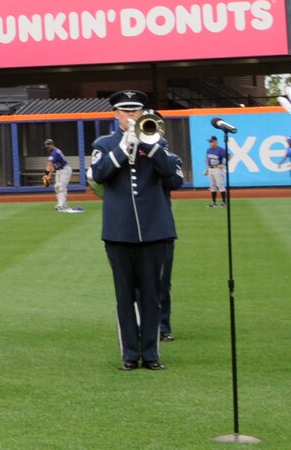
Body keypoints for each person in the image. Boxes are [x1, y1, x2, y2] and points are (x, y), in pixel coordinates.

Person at [89, 90, 184, 370]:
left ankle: (151, 354)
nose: (131, 116)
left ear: (143, 112)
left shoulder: (159, 141)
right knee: (125, 296)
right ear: (115, 114)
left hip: (154, 230)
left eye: (136, 111)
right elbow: (99, 174)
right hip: (119, 232)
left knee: (151, 295)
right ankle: (130, 354)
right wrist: (122, 150)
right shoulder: (104, 144)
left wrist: (150, 146)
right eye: (125, 111)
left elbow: (173, 177)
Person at [44, 138, 79, 213]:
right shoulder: (53, 152)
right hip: (59, 171)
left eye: (49, 146)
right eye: (47, 147)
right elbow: (53, 167)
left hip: (65, 170)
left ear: (52, 145)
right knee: (57, 187)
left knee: (61, 186)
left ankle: (61, 205)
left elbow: (49, 164)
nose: (48, 148)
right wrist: (49, 175)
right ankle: (62, 204)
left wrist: (46, 175)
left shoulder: (55, 152)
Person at [205, 135, 227, 208]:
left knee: (220, 185)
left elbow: (229, 157)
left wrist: (223, 164)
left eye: (211, 141)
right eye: (210, 142)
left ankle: (224, 202)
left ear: (215, 141)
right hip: (211, 169)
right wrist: (207, 168)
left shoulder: (220, 150)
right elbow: (207, 159)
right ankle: (213, 202)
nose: (210, 143)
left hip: (218, 169)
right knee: (212, 186)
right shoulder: (208, 150)